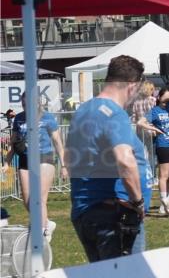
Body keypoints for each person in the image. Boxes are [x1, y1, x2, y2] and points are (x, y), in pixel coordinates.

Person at [66, 55, 151, 262]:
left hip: (87, 211)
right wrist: (138, 202)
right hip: (114, 215)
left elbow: (70, 157)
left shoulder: (83, 111)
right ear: (132, 86)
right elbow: (125, 160)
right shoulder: (114, 113)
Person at [5, 96, 66, 240]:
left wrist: (64, 165)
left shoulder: (47, 118)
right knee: (27, 200)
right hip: (25, 160)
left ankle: (43, 233)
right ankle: (47, 223)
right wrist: (7, 162)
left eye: (29, 105)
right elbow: (13, 142)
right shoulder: (19, 118)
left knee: (38, 198)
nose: (27, 108)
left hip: (44, 158)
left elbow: (57, 142)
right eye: (24, 105)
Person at [135, 87, 169, 215]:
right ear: (159, 98)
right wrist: (155, 129)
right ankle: (163, 204)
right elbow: (140, 122)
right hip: (163, 144)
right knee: (164, 175)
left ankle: (167, 202)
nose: (167, 102)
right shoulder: (155, 111)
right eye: (164, 99)